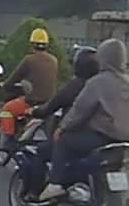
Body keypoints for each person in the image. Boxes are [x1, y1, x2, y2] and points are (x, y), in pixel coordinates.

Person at [37, 38, 129, 202]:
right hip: (124, 142)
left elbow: (80, 110)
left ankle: (54, 184)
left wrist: (63, 127)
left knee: (63, 140)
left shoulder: (98, 82)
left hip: (103, 138)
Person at [24, 47, 99, 197]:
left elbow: (52, 106)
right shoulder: (103, 85)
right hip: (101, 141)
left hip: (77, 138)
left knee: (40, 152)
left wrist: (34, 111)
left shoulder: (76, 86)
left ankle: (36, 193)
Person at [0, 28, 59, 151]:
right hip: (49, 103)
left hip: (32, 102)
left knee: (7, 109)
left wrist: (6, 86)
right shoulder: (54, 60)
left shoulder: (29, 60)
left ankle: (8, 141)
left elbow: (15, 77)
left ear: (32, 44)